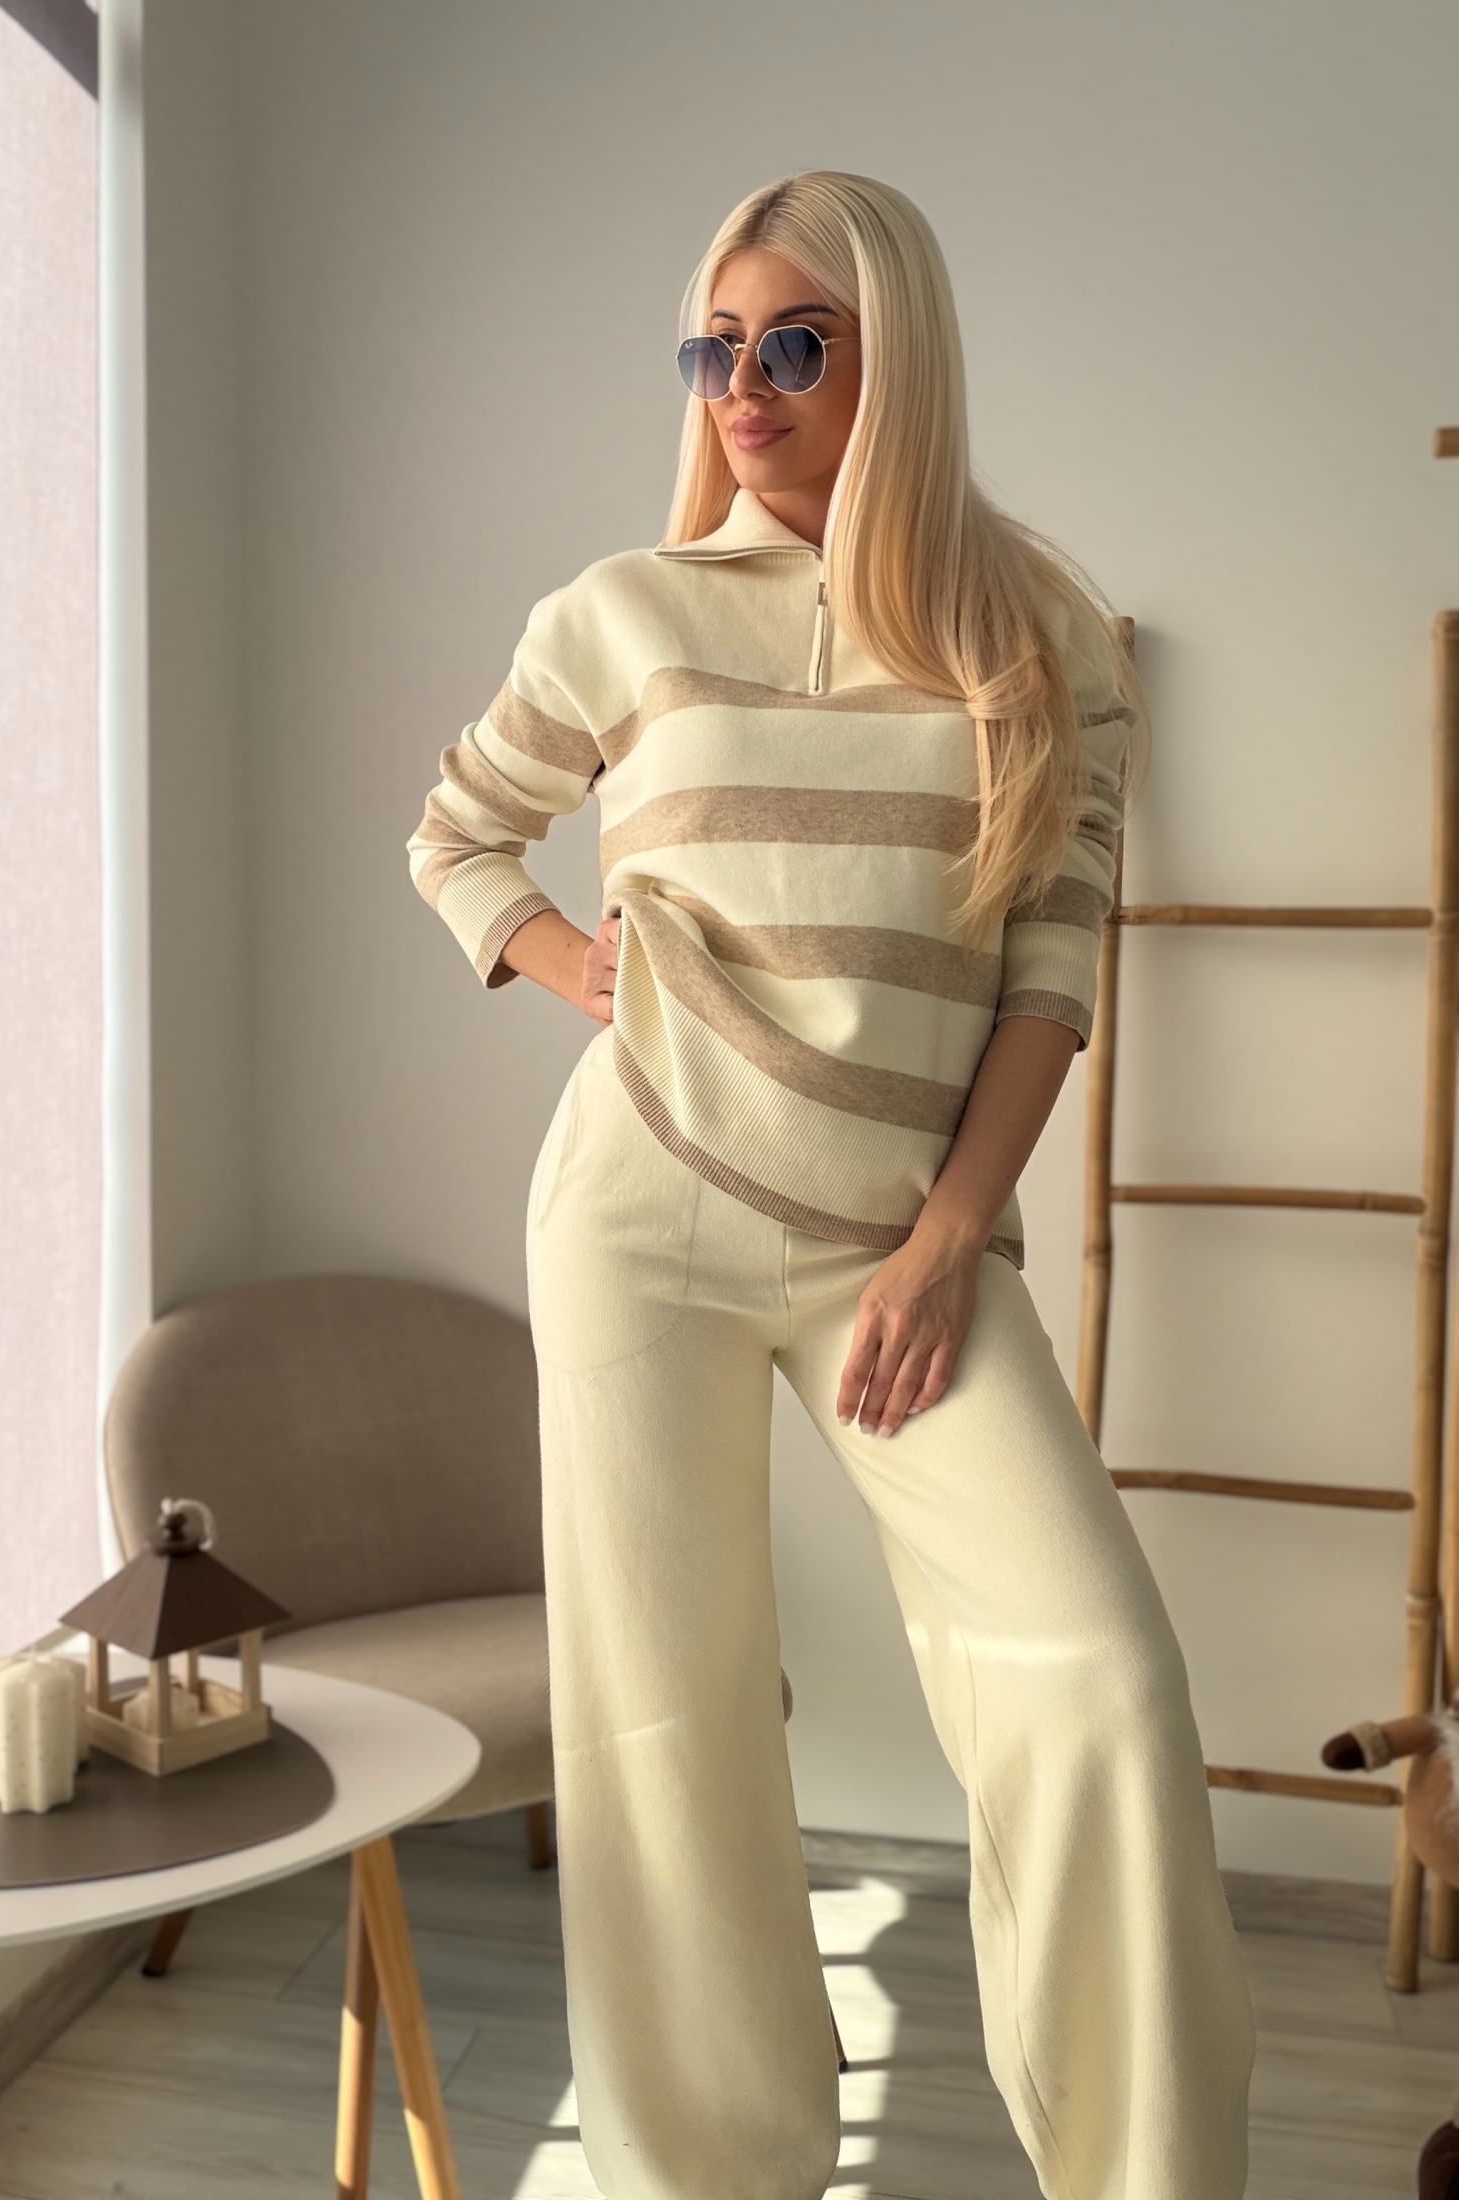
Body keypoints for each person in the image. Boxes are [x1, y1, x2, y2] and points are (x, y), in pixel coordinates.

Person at [407, 169, 1255, 2200]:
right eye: (714, 349)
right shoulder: (620, 613)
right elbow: (455, 836)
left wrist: (951, 1239)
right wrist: (576, 962)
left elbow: (1051, 969)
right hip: (640, 1218)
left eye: (795, 342)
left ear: (901, 357)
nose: (747, 388)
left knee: (1100, 1679)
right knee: (666, 1727)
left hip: (907, 1236)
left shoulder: (1043, 636)